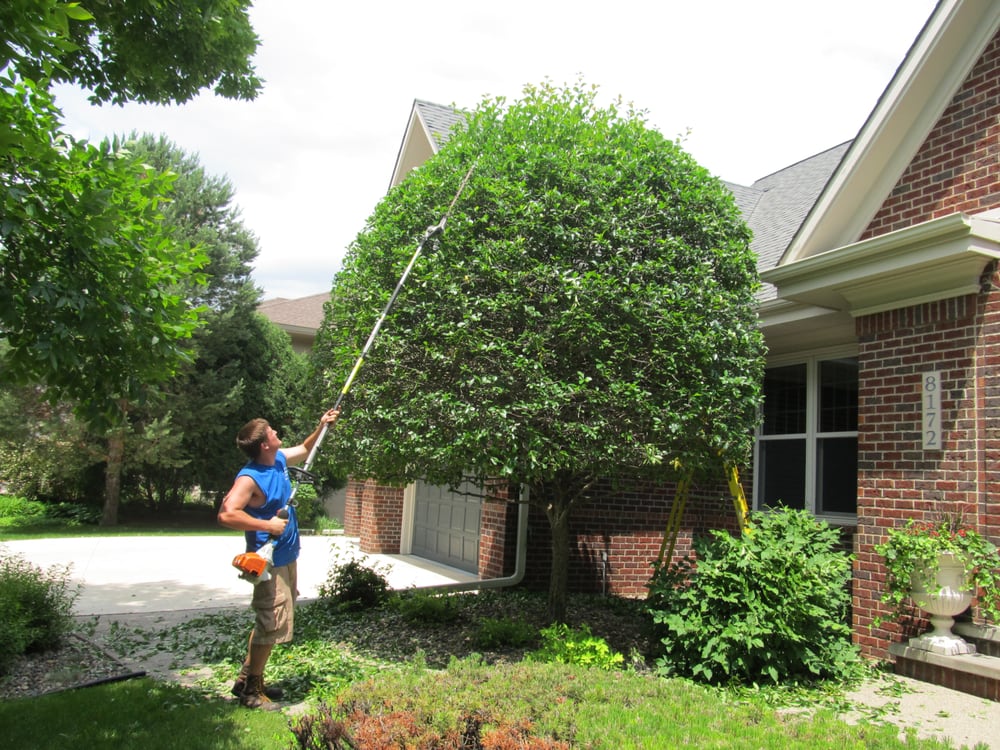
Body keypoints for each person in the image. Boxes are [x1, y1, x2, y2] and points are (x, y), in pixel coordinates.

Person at [218, 407, 340, 709]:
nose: (276, 432)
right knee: (270, 622)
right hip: (268, 561)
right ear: (263, 444)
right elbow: (226, 513)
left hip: (287, 556)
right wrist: (266, 525)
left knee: (272, 620)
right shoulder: (250, 477)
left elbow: (306, 448)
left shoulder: (278, 459)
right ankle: (252, 692)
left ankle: (246, 677)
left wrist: (321, 424)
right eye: (271, 431)